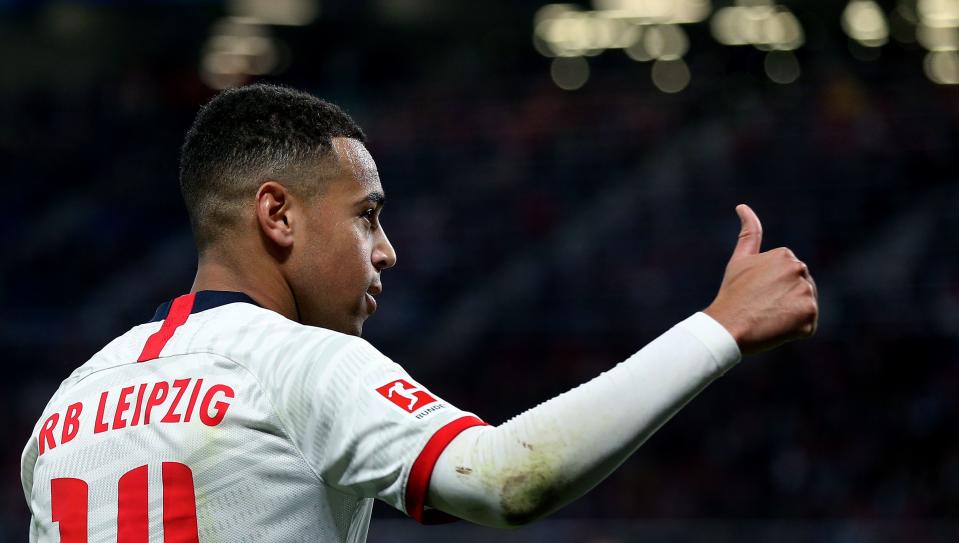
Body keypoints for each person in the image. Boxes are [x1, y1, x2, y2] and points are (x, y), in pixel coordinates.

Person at [21, 84, 818, 542]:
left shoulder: (63, 410)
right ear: (278, 215)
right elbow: (507, 477)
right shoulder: (297, 364)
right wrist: (719, 327)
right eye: (367, 214)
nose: (387, 249)